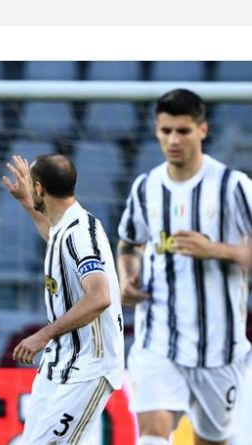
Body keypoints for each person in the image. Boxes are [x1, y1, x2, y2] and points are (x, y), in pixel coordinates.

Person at [117, 88, 252, 445]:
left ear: (202, 130)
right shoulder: (146, 188)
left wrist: (216, 250)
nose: (173, 140)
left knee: (212, 440)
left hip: (219, 348)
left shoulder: (232, 187)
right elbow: (130, 242)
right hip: (156, 338)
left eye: (183, 131)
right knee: (151, 435)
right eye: (166, 131)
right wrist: (126, 277)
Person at [3, 153, 124, 444]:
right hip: (60, 363)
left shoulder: (81, 233)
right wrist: (25, 202)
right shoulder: (65, 226)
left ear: (40, 188)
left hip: (90, 366)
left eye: (31, 186)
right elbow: (53, 234)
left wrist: (42, 335)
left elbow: (99, 297)